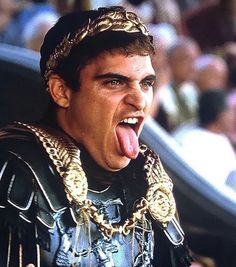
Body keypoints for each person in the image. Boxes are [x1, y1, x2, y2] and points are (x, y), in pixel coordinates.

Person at [0, 6, 192, 267]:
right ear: (62, 91)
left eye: (146, 83)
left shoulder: (148, 179)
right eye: (115, 82)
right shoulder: (16, 169)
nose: (139, 101)